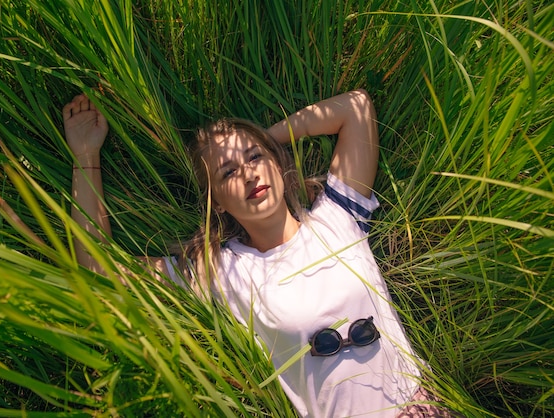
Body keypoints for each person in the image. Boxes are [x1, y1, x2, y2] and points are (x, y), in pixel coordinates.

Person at [63, 91, 453, 417]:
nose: (250, 174)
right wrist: (85, 155)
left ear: (278, 165)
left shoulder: (339, 216)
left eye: (254, 158)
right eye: (229, 172)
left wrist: (263, 138)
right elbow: (101, 270)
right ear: (217, 203)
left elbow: (356, 108)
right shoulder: (222, 272)